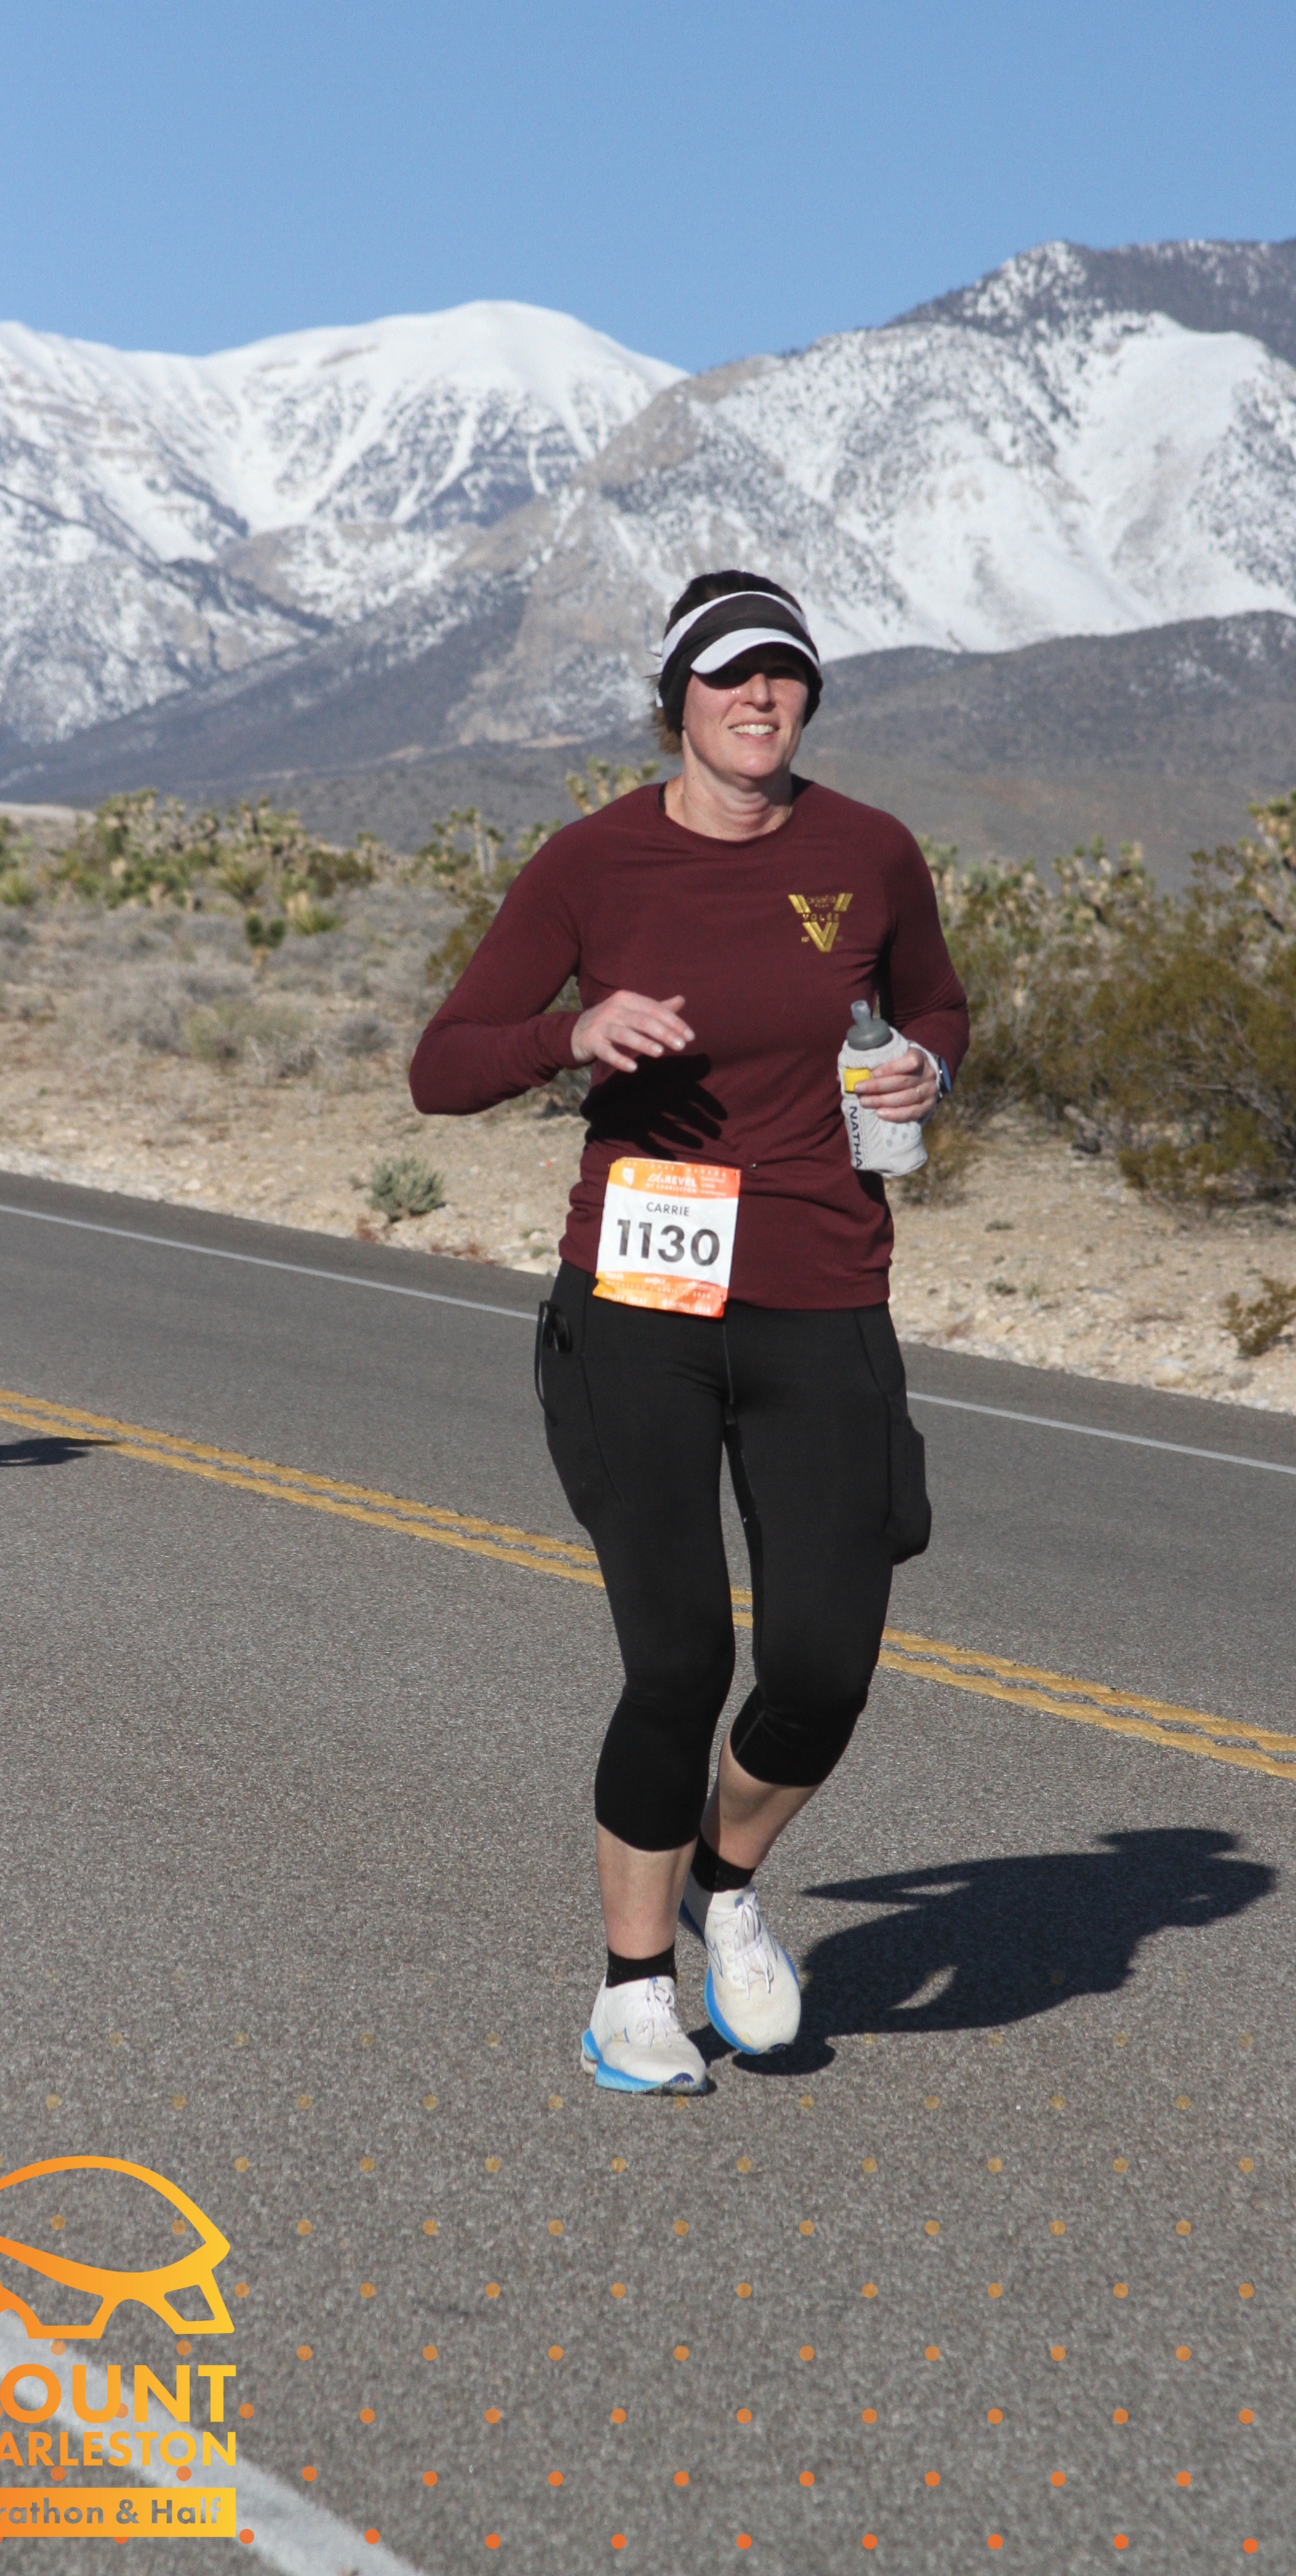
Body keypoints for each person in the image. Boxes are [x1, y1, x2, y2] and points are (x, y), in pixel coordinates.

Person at [410, 571, 968, 2092]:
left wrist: (923, 1070)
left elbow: (937, 1009)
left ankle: (728, 1884)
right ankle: (632, 1989)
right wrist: (569, 1033)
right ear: (676, 702)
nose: (758, 697)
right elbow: (442, 1067)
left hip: (822, 1288)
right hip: (641, 1300)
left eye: (784, 672)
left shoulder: (869, 851)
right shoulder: (593, 862)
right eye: (728, 676)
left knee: (822, 1669)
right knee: (677, 1659)